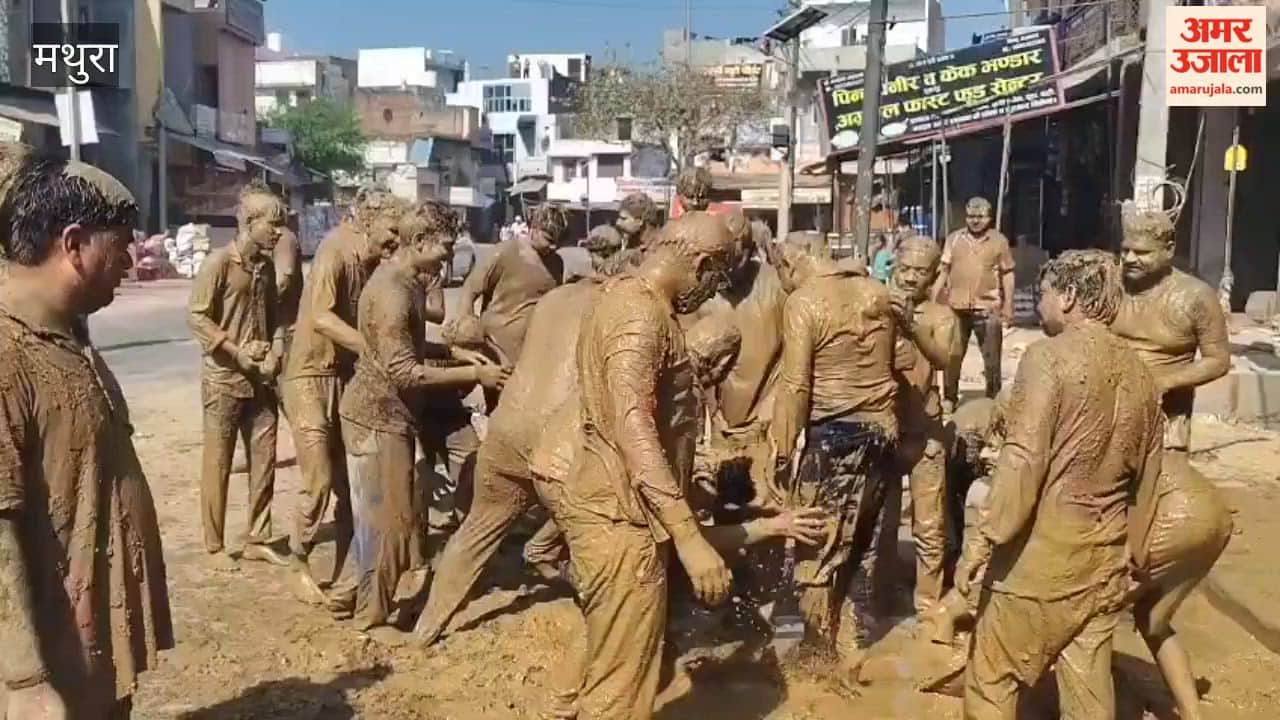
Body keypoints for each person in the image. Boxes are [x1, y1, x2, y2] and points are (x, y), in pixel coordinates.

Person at [530, 212, 738, 720]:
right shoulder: (640, 315)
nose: (710, 293)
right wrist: (689, 539)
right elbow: (633, 428)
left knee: (611, 650)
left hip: (613, 505)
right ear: (704, 265)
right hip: (621, 517)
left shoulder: (627, 299)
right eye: (714, 279)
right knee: (622, 690)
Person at [0, 150, 173, 719]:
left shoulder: (71, 331)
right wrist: (24, 679)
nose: (132, 257)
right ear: (73, 244)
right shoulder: (8, 358)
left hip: (87, 643)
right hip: (44, 664)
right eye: (120, 241)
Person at [957, 250, 1164, 720]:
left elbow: (1023, 462)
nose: (1043, 303)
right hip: (1104, 561)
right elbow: (1147, 482)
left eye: (1046, 293)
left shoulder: (1047, 358)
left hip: (1041, 564)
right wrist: (1133, 552)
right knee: (1089, 692)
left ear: (1069, 296)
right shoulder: (1141, 374)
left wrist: (981, 543)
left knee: (992, 679)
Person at [337, 201, 509, 631]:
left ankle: (347, 597)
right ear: (418, 242)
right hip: (375, 418)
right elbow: (403, 372)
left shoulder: (410, 280)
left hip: (390, 417)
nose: (449, 256)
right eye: (445, 247)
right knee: (389, 528)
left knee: (384, 520)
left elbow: (404, 348)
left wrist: (450, 352)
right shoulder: (393, 293)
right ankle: (369, 619)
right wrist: (475, 372)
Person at [1112, 205, 1234, 720]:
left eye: (1141, 252)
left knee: (1132, 584)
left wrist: (1166, 381)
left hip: (1165, 431)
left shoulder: (1195, 297)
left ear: (1168, 251)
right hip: (1109, 422)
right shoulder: (1111, 284)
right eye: (1125, 250)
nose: (1130, 259)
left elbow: (1218, 359)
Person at [769, 233, 903, 666]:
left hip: (834, 436)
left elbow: (796, 384)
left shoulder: (806, 302)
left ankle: (814, 655)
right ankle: (853, 646)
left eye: (781, 273)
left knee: (817, 546)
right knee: (863, 543)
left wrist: (783, 452)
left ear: (792, 264)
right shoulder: (875, 292)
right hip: (883, 431)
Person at [283, 188, 406, 604]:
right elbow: (320, 315)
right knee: (317, 478)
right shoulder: (335, 251)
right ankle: (297, 559)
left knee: (347, 482)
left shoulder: (376, 261)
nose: (395, 240)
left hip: (344, 377)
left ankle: (345, 572)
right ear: (368, 220)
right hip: (307, 377)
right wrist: (370, 347)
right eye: (392, 230)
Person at [188, 182, 289, 567]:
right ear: (249, 222)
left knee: (265, 460)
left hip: (261, 381)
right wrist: (235, 351)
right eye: (272, 223)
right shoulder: (218, 264)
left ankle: (257, 536)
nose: (278, 231)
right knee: (219, 462)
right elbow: (197, 316)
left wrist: (275, 351)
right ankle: (214, 546)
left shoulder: (264, 268)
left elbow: (276, 319)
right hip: (224, 380)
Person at [888, 235, 962, 613]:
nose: (910, 278)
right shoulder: (879, 308)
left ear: (934, 275)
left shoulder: (941, 317)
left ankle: (928, 602)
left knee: (928, 524)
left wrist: (912, 327)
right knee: (880, 523)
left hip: (925, 430)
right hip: (886, 430)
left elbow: (944, 360)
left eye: (920, 272)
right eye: (905, 269)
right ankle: (879, 593)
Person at [451, 203, 567, 368]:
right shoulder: (505, 252)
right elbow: (470, 289)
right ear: (533, 228)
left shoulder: (556, 263)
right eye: (549, 240)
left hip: (535, 349)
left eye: (558, 242)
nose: (554, 246)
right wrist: (466, 325)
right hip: (498, 349)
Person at [934, 196, 1015, 407]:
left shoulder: (999, 241)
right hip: (956, 307)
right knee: (952, 356)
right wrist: (933, 299)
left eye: (980, 217)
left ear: (989, 218)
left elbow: (1007, 273)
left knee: (992, 359)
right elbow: (943, 271)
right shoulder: (954, 239)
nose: (975, 221)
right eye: (971, 216)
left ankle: (992, 398)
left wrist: (1008, 305)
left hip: (987, 308)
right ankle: (949, 397)